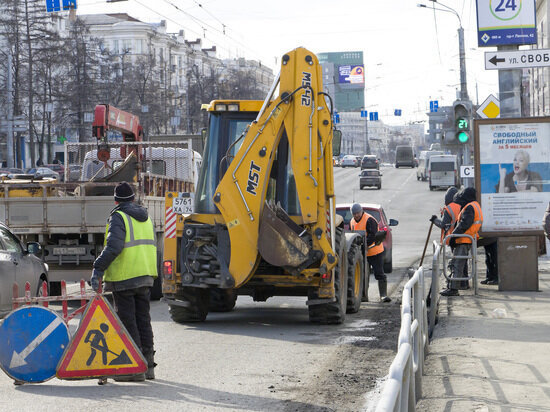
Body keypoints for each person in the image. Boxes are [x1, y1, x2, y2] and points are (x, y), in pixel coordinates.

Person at [91, 182, 158, 381]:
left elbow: (114, 246)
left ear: (116, 200)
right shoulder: (145, 217)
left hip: (125, 276)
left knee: (128, 322)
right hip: (145, 275)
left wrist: (98, 267)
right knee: (143, 321)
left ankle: (134, 369)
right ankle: (148, 367)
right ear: (133, 198)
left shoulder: (118, 217)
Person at [440, 187, 483, 296]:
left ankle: (454, 289)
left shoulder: (469, 207)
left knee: (457, 264)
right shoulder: (475, 205)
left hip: (463, 238)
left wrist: (453, 236)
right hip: (468, 238)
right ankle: (459, 285)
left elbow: (464, 224)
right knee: (459, 263)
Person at [350, 203, 391, 303]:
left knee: (379, 273)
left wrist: (364, 245)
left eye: (358, 213)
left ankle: (383, 295)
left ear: (361, 211)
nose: (356, 215)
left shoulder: (369, 219)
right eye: (354, 214)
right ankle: (363, 296)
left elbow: (372, 236)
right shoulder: (352, 222)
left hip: (375, 251)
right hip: (363, 254)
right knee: (363, 275)